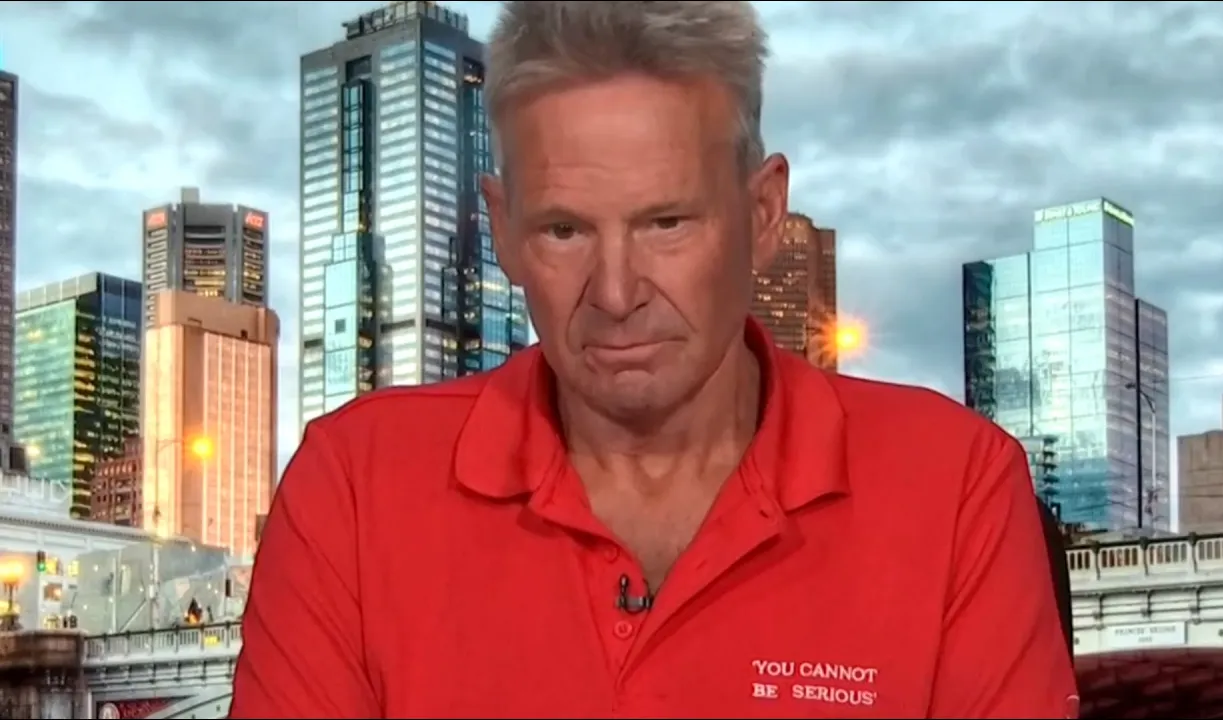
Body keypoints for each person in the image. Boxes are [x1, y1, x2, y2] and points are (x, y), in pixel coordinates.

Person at [229, 2, 1078, 718]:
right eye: (565, 229)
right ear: (503, 229)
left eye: (666, 223)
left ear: (764, 214)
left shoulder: (957, 487)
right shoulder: (353, 486)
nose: (615, 292)